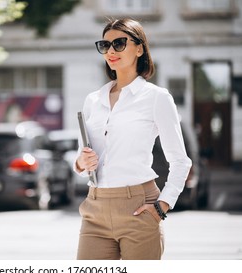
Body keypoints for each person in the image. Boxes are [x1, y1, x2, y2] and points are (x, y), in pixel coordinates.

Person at [74, 18, 192, 260]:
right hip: (95, 206)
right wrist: (80, 163)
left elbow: (181, 161)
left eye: (119, 43)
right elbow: (81, 160)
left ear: (139, 48)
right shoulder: (93, 100)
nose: (111, 51)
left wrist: (162, 207)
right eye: (104, 45)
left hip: (138, 206)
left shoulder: (157, 97)